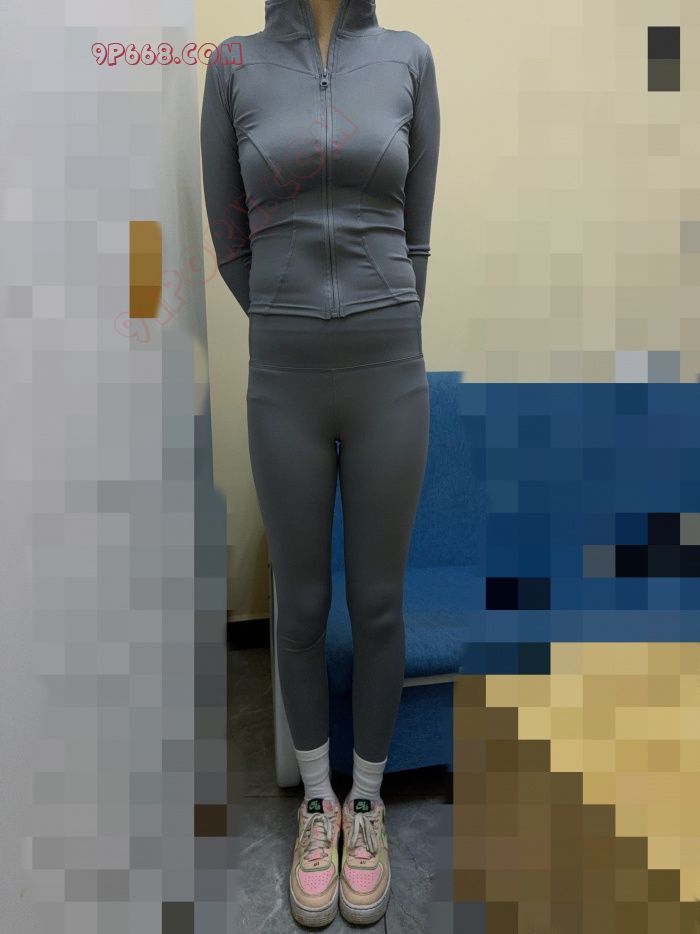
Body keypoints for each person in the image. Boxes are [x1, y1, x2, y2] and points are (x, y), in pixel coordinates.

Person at [200, 0, 440, 925]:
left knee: (378, 604)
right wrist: (290, 318)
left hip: (389, 370)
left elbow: (417, 235)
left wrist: (379, 321)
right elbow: (231, 242)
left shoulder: (410, 59)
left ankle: (366, 805)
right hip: (284, 375)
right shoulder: (232, 65)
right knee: (300, 607)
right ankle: (316, 803)